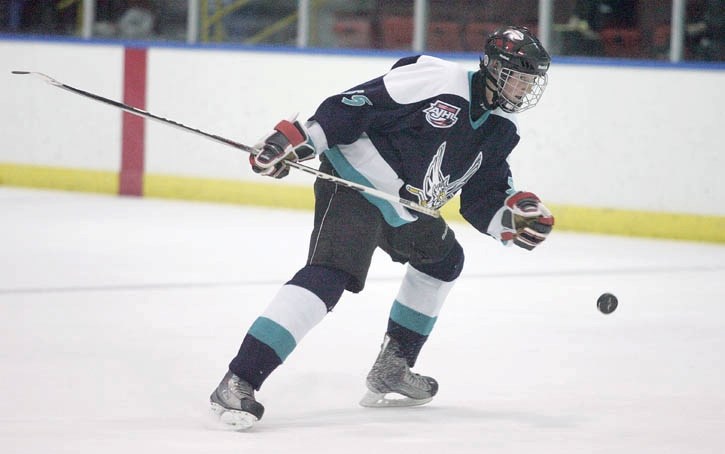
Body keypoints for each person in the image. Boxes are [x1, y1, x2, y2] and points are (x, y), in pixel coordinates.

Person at [210, 25, 555, 430]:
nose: (524, 88)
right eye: (519, 76)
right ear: (495, 68)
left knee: (444, 260)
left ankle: (393, 368)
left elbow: (484, 197)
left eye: (531, 80)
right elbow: (352, 105)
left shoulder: (499, 130)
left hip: (406, 208)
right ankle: (239, 380)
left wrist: (512, 221)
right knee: (330, 275)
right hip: (355, 181)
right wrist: (295, 142)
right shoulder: (437, 79)